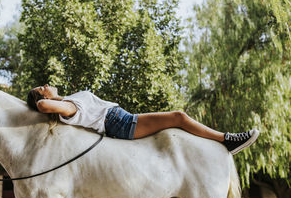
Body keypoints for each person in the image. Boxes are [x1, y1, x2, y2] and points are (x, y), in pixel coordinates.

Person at [27, 84, 259, 155]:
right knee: (179, 117)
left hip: (120, 119)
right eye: (42, 88)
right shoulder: (65, 106)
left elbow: (47, 103)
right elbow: (43, 105)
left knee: (178, 119)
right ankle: (226, 140)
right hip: (119, 123)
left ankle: (222, 141)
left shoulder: (67, 100)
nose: (47, 84)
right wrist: (41, 102)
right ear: (43, 96)